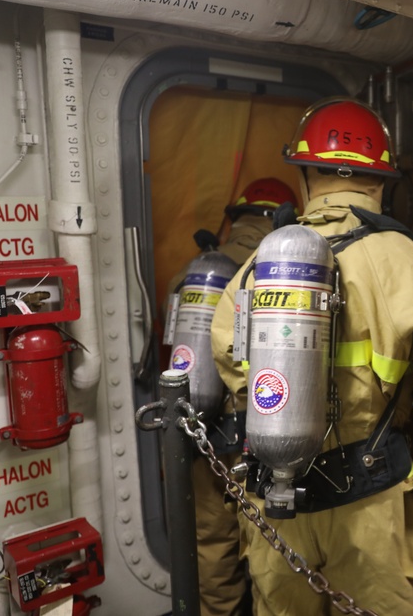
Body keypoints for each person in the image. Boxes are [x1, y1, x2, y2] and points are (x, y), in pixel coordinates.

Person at [209, 97, 413, 615]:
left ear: (307, 178)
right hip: (370, 508)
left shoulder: (258, 266)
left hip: (274, 503)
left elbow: (232, 362)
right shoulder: (405, 261)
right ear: (380, 183)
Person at [168, 177, 299, 616]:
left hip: (199, 434)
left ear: (236, 218)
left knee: (211, 546)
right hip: (258, 439)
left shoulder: (193, 271)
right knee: (271, 554)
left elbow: (169, 348)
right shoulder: (284, 269)